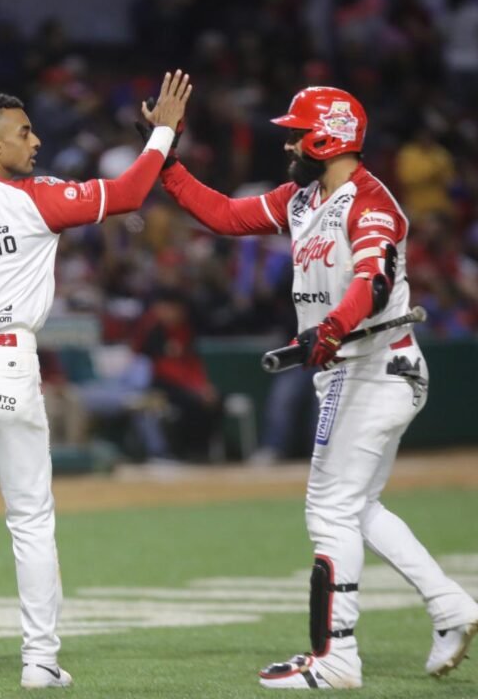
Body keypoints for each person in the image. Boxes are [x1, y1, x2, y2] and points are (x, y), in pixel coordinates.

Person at [0, 70, 192, 691]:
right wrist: (162, 135)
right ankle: (40, 661)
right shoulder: (33, 197)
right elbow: (128, 195)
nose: (37, 141)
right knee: (30, 517)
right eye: (24, 133)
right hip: (5, 360)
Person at [155, 85, 478, 689]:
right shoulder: (303, 199)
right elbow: (225, 215)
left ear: (327, 138)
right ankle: (451, 607)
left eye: (297, 131)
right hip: (350, 369)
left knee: (327, 507)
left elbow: (373, 283)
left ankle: (337, 658)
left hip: (376, 365)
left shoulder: (372, 202)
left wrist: (331, 328)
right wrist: (167, 160)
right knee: (359, 508)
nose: (287, 140)